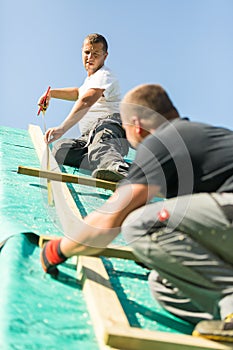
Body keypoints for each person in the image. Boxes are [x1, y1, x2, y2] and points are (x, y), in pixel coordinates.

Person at [40, 84, 233, 342]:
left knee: (141, 224)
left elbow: (112, 219)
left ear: (136, 124)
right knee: (164, 285)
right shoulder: (202, 137)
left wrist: (58, 249)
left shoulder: (163, 140)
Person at [38, 33, 129, 182]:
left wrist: (62, 128)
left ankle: (118, 168)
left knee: (102, 141)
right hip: (88, 137)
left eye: (96, 54)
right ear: (82, 52)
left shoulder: (105, 75)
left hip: (110, 128)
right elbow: (78, 93)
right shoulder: (90, 81)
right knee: (61, 149)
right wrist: (51, 94)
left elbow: (86, 100)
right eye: (87, 52)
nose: (90, 57)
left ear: (105, 56)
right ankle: (100, 160)